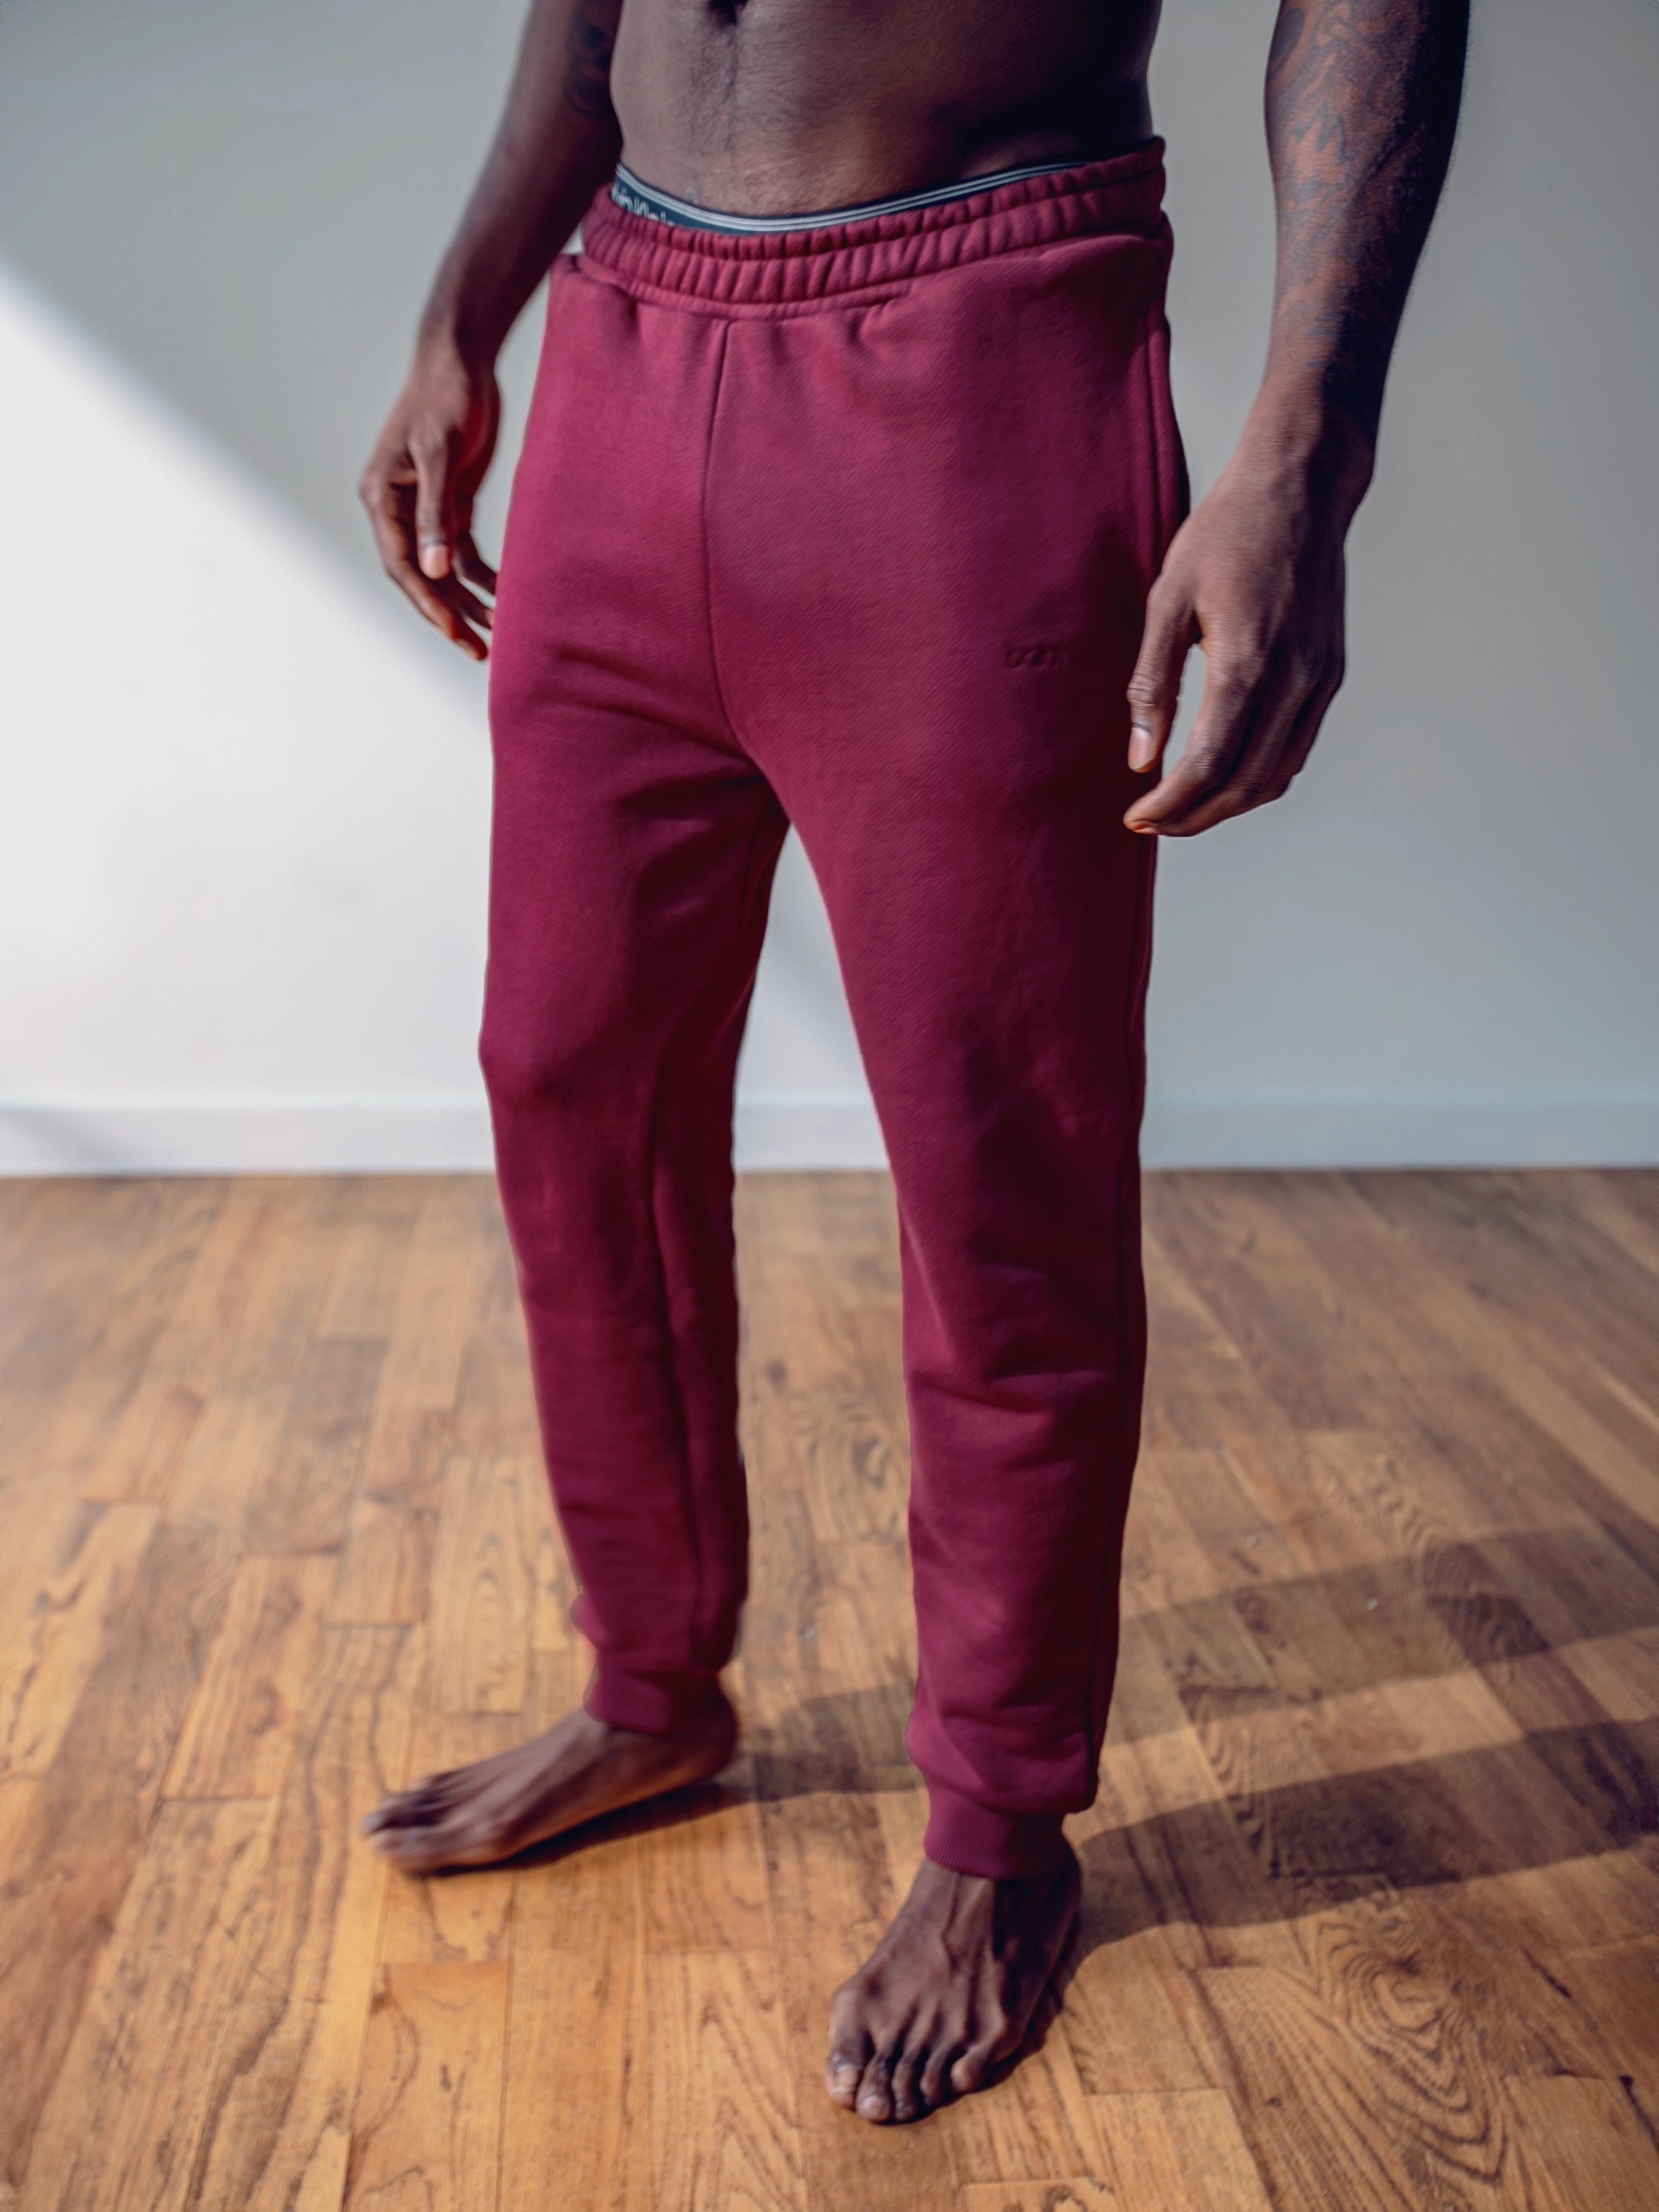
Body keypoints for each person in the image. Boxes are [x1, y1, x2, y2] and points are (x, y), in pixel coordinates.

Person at [359, 0, 1468, 2127]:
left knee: (999, 1158)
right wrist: (463, 302)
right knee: (565, 1080)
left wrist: (1306, 454)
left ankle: (999, 1829)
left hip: (976, 337)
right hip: (621, 325)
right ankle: (653, 1686)